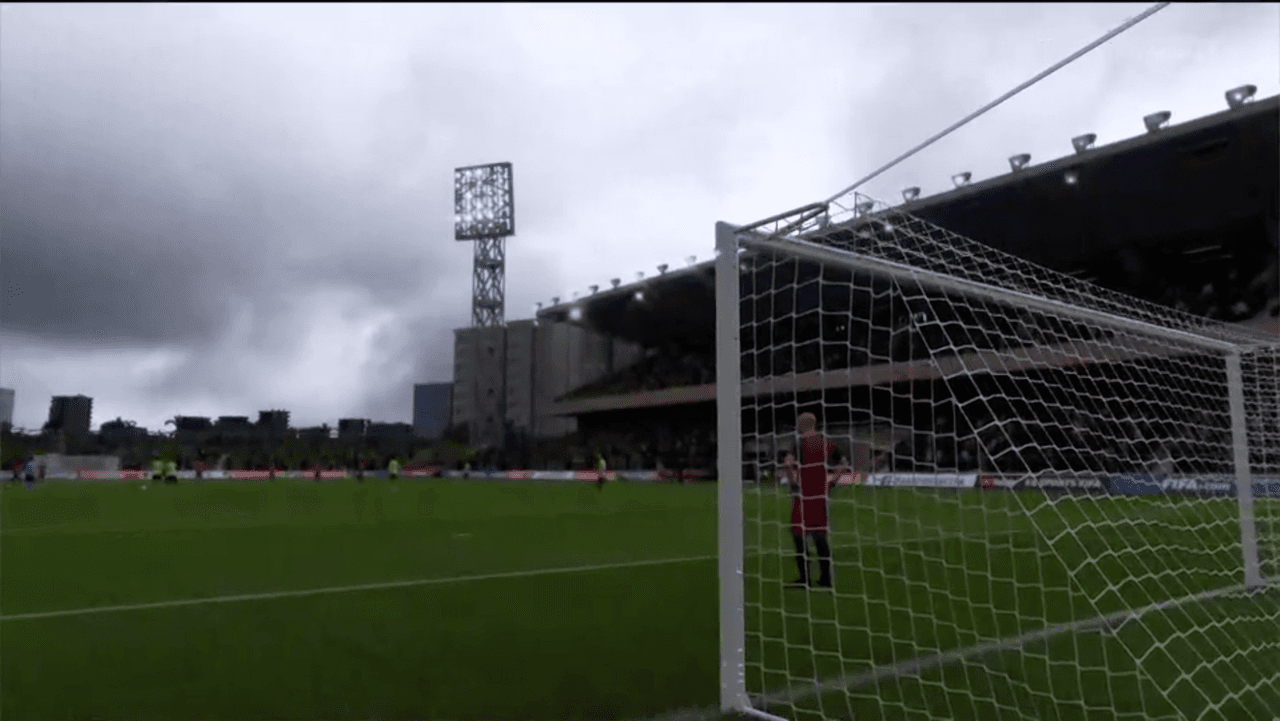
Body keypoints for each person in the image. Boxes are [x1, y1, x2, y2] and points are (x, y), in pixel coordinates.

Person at [788, 413, 842, 589]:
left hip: (804, 495)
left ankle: (804, 579)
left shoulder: (800, 443)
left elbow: (788, 463)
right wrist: (832, 483)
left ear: (802, 424)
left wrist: (793, 483)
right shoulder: (827, 443)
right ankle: (826, 579)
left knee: (798, 535)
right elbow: (842, 464)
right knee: (820, 536)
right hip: (820, 495)